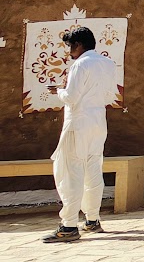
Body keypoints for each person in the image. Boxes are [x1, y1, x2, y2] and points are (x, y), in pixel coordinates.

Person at [26, 25, 121, 243]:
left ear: (78, 44)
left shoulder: (80, 64)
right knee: (93, 170)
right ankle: (92, 219)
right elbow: (109, 94)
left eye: (70, 46)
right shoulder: (107, 63)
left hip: (78, 123)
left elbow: (71, 97)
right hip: (98, 121)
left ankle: (69, 225)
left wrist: (58, 90)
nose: (69, 52)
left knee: (70, 172)